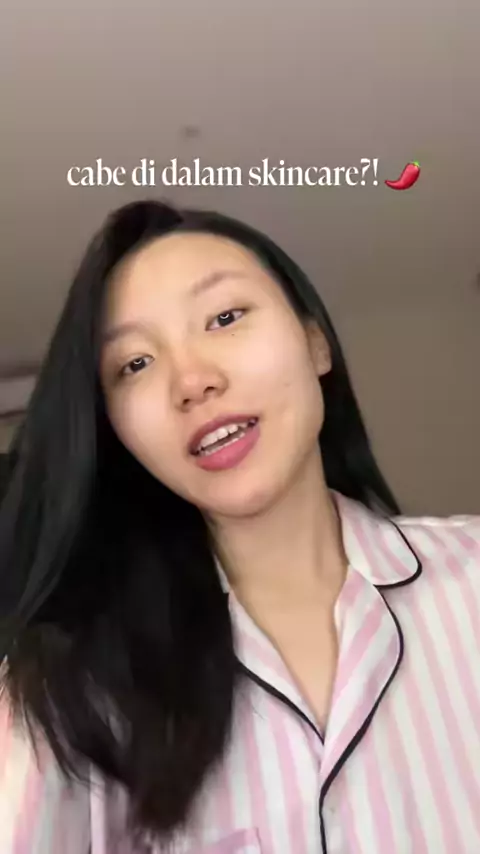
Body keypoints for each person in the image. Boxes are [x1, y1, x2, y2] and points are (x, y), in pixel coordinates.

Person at [0, 199, 479, 854]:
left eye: (225, 317)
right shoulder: (61, 691)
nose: (192, 381)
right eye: (135, 363)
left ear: (315, 342)